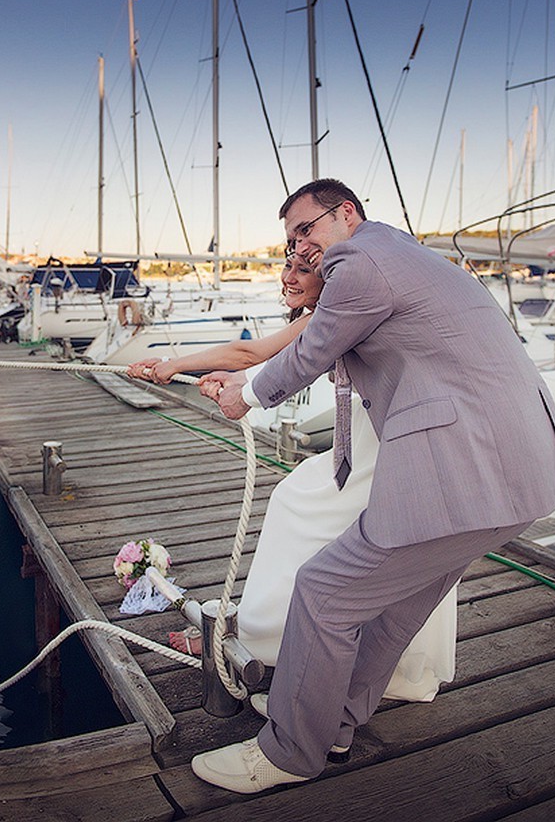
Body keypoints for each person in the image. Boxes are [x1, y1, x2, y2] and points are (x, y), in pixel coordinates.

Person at [190, 178, 555, 795]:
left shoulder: (361, 259)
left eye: (306, 229)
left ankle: (289, 750)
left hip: (466, 476)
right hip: (516, 476)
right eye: (290, 239)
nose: (301, 246)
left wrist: (245, 395)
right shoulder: (407, 258)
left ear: (347, 214)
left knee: (325, 590)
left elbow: (316, 345)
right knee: (394, 609)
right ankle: (333, 722)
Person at [127, 255, 455, 702]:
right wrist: (230, 377)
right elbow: (264, 360)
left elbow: (252, 353)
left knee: (297, 506)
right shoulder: (335, 316)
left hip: (386, 442)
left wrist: (171, 363)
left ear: (330, 279)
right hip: (373, 436)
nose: (287, 277)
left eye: (302, 269)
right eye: (288, 266)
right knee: (313, 510)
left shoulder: (342, 311)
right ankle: (303, 637)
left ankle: (261, 638)